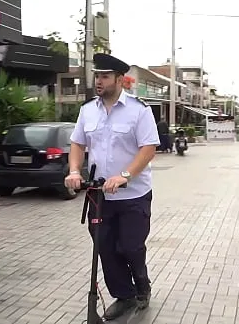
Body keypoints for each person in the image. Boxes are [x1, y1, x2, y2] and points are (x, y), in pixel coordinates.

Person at [64, 53, 160, 320]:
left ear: (120, 80)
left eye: (105, 76)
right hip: (99, 197)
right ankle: (124, 295)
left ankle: (142, 284)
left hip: (134, 195)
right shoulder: (87, 111)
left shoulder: (139, 110)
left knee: (130, 246)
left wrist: (125, 175)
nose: (99, 81)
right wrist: (74, 170)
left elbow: (148, 148)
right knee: (105, 248)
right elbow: (77, 144)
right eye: (97, 76)